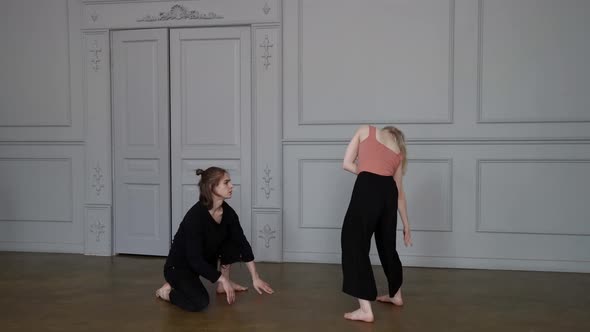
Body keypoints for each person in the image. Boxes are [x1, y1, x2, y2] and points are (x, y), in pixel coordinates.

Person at [155, 166, 274, 311]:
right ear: (212, 187)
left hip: (198, 264)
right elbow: (194, 260)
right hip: (179, 267)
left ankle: (221, 286)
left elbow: (242, 243)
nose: (231, 186)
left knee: (232, 239)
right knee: (200, 302)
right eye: (226, 182)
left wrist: (255, 277)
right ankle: (167, 292)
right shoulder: (195, 217)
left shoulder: (228, 213)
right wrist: (221, 278)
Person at [340, 125, 413, 323]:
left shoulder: (366, 131)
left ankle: (365, 309)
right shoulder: (398, 154)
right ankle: (396, 295)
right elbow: (399, 194)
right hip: (388, 191)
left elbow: (346, 163)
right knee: (387, 245)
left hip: (368, 187)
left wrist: (367, 174)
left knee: (354, 242)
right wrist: (407, 225)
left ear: (386, 130)